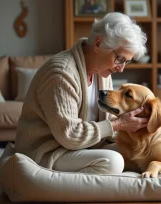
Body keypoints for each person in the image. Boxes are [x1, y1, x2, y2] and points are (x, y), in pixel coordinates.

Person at [15, 12, 148, 175]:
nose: (121, 68)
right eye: (120, 59)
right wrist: (118, 125)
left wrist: (133, 127)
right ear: (98, 44)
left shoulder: (103, 72)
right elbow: (70, 135)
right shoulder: (61, 74)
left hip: (83, 147)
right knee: (113, 162)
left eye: (126, 62)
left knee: (137, 153)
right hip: (49, 151)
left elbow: (106, 120)